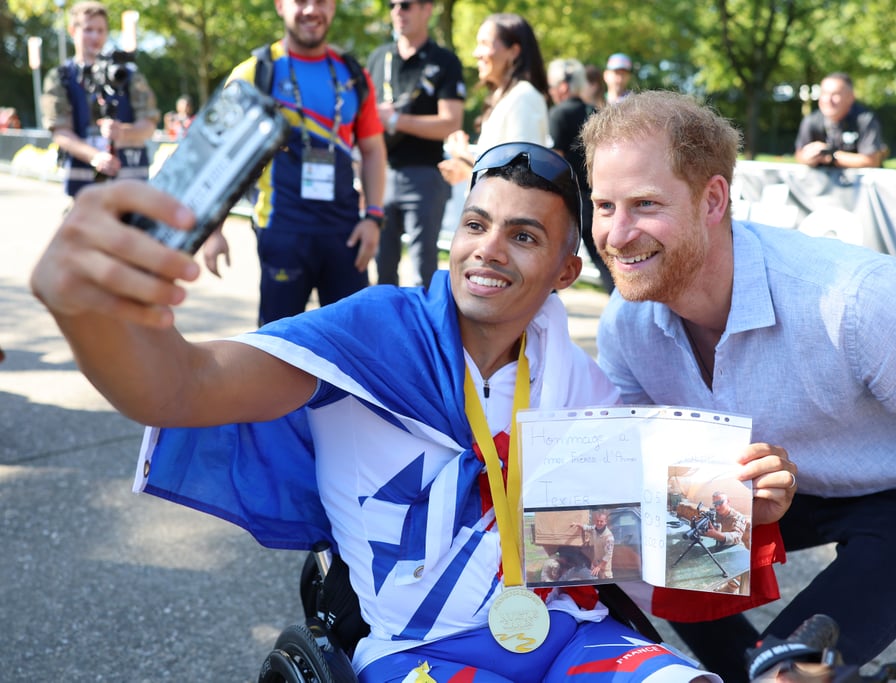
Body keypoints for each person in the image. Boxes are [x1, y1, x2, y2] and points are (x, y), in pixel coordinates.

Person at [28, 141, 797, 681]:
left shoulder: (575, 378)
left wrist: (749, 501)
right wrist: (90, 311)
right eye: (475, 223)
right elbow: (178, 386)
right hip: (418, 652)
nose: (488, 250)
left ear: (565, 271)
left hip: (569, 636)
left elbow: (652, 548)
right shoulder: (370, 334)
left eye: (523, 236)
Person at [581, 90, 896, 682]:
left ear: (713, 199)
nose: (616, 233)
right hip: (797, 478)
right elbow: (646, 485)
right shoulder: (627, 323)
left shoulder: (853, 300)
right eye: (605, 205)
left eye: (644, 204)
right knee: (622, 543)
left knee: (784, 672)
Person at [200, 0, 387, 325]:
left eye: (322, 1)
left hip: (345, 235)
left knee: (356, 347)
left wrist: (373, 217)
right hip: (282, 231)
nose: (311, 9)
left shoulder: (354, 75)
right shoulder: (254, 72)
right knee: (276, 351)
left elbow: (372, 150)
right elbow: (219, 155)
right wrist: (214, 229)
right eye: (301, 1)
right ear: (280, 5)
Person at [367, 0, 465, 288]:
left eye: (406, 4)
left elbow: (451, 122)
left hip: (423, 176)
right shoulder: (378, 57)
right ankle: (385, 331)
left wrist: (396, 121)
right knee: (382, 270)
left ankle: (425, 333)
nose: (398, 11)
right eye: (392, 4)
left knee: (423, 271)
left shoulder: (444, 61)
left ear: (427, 9)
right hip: (380, 173)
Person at [40, 1, 159, 199]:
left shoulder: (128, 74)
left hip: (130, 189)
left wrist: (124, 132)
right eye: (88, 30)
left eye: (100, 30)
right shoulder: (61, 77)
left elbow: (149, 124)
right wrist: (95, 156)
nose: (95, 37)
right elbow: (60, 131)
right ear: (73, 31)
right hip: (84, 190)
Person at [438, 13, 548, 187]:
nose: (476, 53)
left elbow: (522, 179)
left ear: (513, 51)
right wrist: (465, 170)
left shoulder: (524, 97)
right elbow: (497, 177)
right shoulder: (504, 99)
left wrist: (462, 155)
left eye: (485, 44)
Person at [547, 57, 613, 293]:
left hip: (570, 200)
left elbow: (555, 161)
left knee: (553, 259)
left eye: (552, 87)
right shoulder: (595, 112)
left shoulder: (558, 114)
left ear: (562, 87)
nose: (551, 92)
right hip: (599, 198)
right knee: (606, 263)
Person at [794, 72, 886, 169]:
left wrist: (829, 155)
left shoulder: (864, 119)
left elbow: (871, 161)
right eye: (824, 93)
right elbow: (800, 155)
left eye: (835, 94)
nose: (828, 100)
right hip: (822, 182)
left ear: (850, 97)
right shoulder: (811, 121)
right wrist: (809, 157)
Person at [572, 511, 615, 579]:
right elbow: (587, 528)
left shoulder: (609, 537)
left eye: (601, 521)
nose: (599, 523)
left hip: (605, 569)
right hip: (596, 565)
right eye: (597, 521)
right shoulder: (595, 528)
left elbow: (608, 555)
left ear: (605, 522)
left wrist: (599, 567)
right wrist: (577, 524)